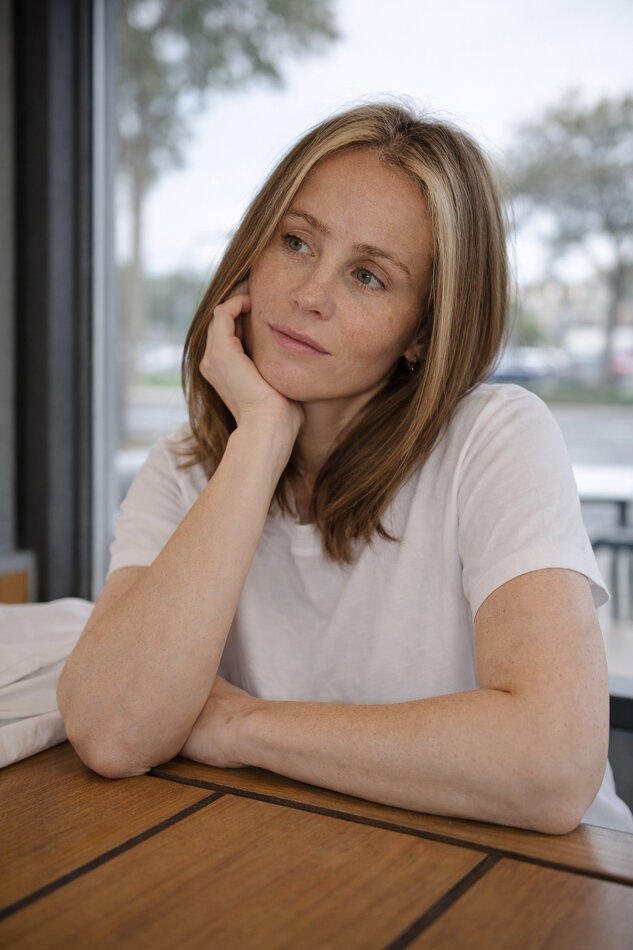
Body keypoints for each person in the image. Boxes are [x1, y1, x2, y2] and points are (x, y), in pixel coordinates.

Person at [57, 101, 633, 834]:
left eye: (367, 276)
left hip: (537, 875)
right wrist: (262, 436)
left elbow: (550, 767)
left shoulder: (495, 437)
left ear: (422, 333)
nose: (308, 296)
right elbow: (111, 731)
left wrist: (242, 727)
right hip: (306, 847)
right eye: (295, 241)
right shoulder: (183, 466)